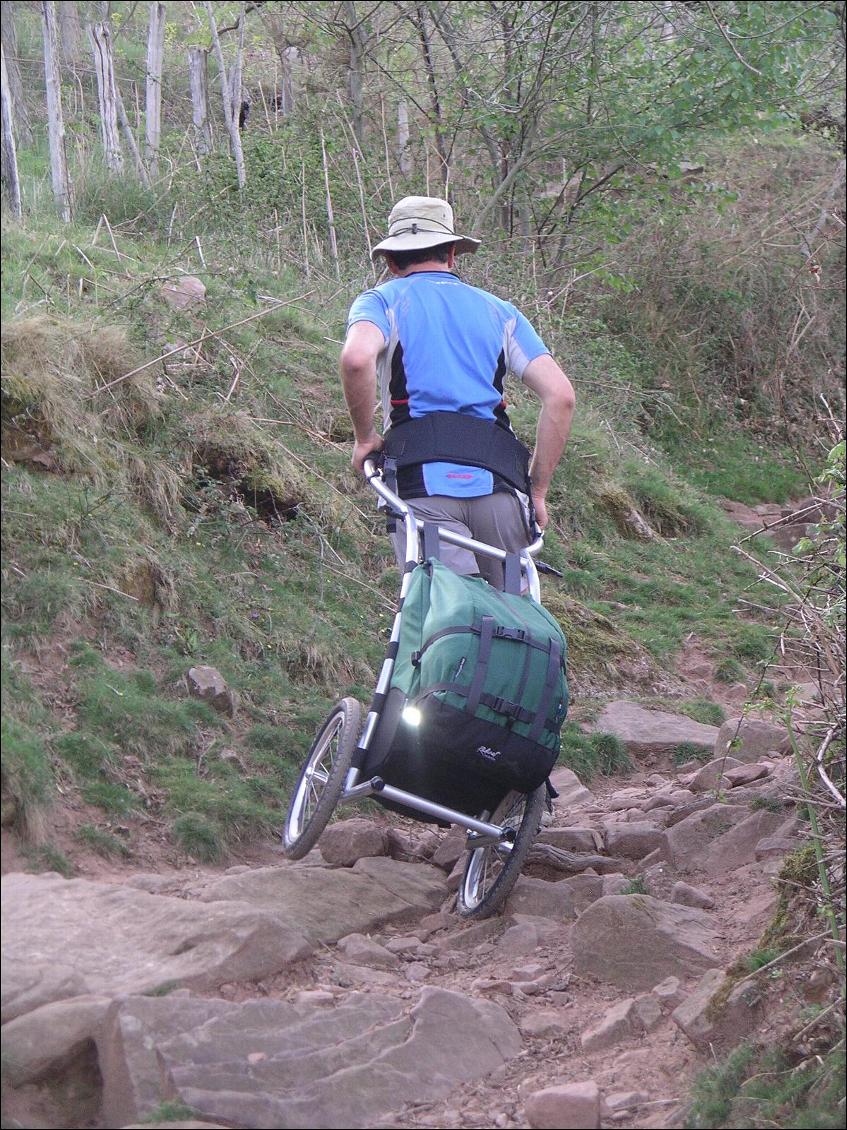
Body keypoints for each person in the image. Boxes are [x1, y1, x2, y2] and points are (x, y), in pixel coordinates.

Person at [340, 195, 575, 589]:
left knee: (446, 622)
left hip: (421, 484)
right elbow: (561, 397)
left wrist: (365, 439)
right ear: (452, 253)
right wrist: (538, 490)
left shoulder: (381, 301)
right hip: (500, 487)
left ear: (391, 262)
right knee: (510, 626)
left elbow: (356, 360)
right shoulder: (502, 312)